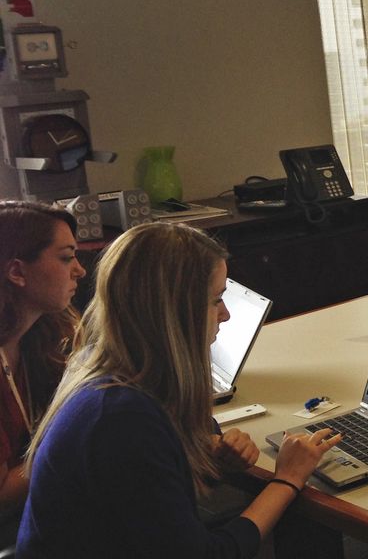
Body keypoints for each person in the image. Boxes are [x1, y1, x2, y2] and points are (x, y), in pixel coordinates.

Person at [17, 222, 343, 557]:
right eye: (216, 299)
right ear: (174, 311)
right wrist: (287, 479)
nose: (226, 314)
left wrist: (212, 445)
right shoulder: (122, 418)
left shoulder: (105, 364)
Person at [0, 201, 86, 542]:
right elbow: (3, 493)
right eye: (66, 258)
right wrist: (80, 438)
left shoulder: (39, 336)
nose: (80, 270)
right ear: (17, 273)